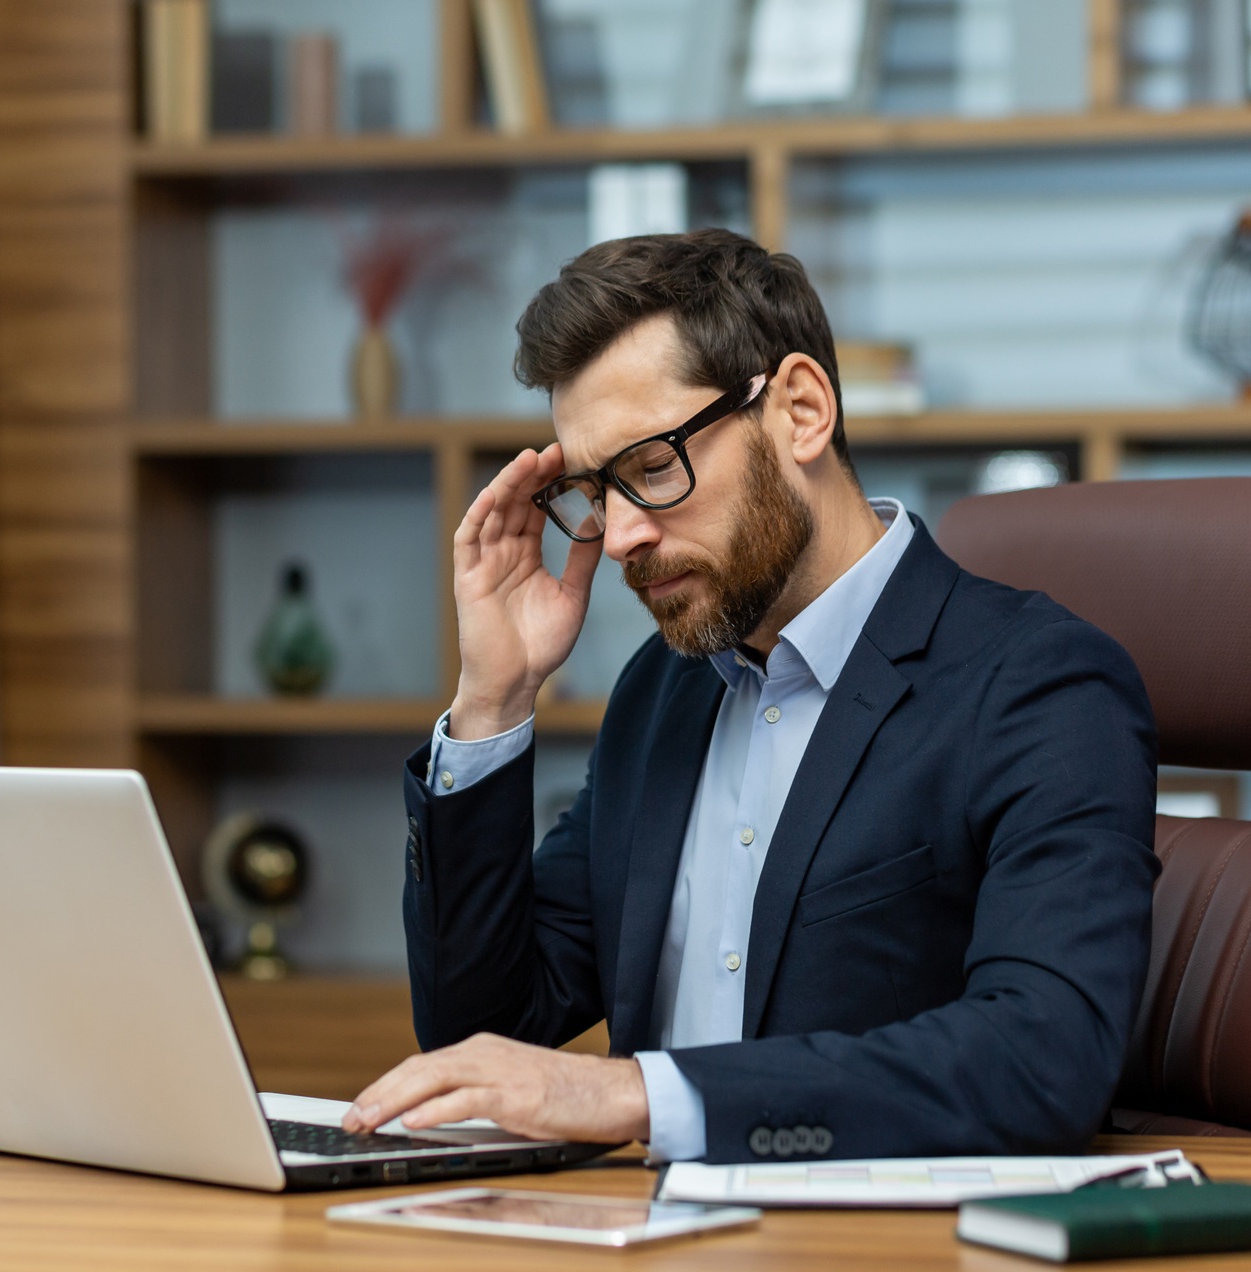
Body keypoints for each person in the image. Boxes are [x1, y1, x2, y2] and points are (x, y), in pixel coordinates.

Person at [342, 229, 1157, 1164]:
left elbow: (1039, 1058)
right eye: (598, 492)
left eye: (653, 469)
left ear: (801, 411)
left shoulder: (1040, 684)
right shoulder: (663, 691)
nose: (620, 540)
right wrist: (496, 697)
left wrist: (639, 1094)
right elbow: (479, 1027)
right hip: (644, 1261)